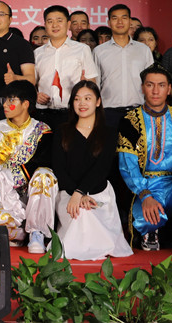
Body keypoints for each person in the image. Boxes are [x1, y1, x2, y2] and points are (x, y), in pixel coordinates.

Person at [117, 63, 172, 255]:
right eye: (150, 85)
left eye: (161, 85)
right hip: (146, 187)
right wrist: (145, 195)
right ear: (142, 88)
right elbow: (127, 165)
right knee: (145, 220)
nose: (155, 91)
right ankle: (151, 232)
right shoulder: (130, 120)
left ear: (169, 89)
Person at [52, 80, 132, 261]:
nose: (82, 103)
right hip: (68, 193)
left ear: (98, 102)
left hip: (99, 191)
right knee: (80, 214)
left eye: (87, 98)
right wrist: (76, 194)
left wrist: (81, 192)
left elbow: (102, 168)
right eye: (77, 99)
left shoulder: (109, 133)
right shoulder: (63, 131)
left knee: (90, 214)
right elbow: (59, 169)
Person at [0, 80, 58, 252]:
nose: (5, 105)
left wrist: (14, 175)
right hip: (3, 191)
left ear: (26, 104)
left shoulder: (42, 130)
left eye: (11, 100)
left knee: (45, 175)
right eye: (4, 100)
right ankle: (10, 230)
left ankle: (37, 232)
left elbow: (44, 162)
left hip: (32, 192)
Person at [34, 5, 99, 130]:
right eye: (50, 21)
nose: (54, 25)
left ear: (68, 24)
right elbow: (33, 82)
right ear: (45, 25)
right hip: (43, 113)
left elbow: (92, 82)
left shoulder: (82, 49)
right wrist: (36, 94)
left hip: (72, 112)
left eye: (59, 21)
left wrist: (85, 86)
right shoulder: (38, 53)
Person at [94, 4, 153, 132]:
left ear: (130, 21)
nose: (120, 22)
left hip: (138, 112)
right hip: (108, 113)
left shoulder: (143, 50)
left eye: (124, 18)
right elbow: (95, 85)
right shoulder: (99, 51)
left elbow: (150, 82)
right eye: (115, 18)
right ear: (109, 22)